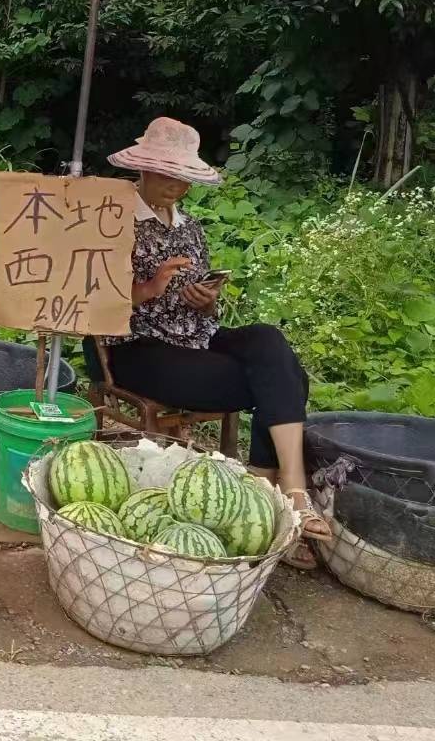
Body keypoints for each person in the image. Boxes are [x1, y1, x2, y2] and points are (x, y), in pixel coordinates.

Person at [101, 117, 330, 569]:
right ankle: (269, 500)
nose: (176, 187)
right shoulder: (111, 220)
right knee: (283, 382)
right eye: (167, 175)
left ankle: (285, 493)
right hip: (136, 345)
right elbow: (94, 298)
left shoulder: (191, 228)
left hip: (193, 338)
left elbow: (206, 313)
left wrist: (203, 299)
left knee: (269, 343)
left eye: (183, 178)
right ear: (142, 170)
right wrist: (150, 287)